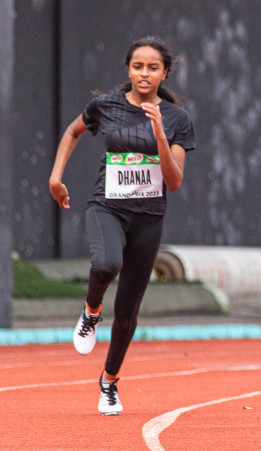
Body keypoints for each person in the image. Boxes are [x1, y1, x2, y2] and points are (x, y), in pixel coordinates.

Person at [46, 37, 196, 415]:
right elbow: (72, 132)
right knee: (105, 264)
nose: (144, 74)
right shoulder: (105, 106)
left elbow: (174, 182)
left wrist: (160, 134)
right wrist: (55, 177)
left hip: (148, 217)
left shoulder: (177, 119)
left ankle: (109, 382)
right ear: (128, 70)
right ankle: (92, 310)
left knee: (128, 309)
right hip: (107, 207)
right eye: (137, 67)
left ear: (165, 73)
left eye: (153, 68)